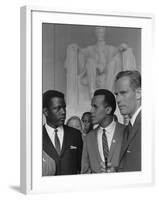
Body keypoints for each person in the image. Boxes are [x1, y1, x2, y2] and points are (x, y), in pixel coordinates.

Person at [64, 26, 136, 106]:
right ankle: (92, 93)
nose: (100, 34)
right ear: (96, 34)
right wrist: (74, 47)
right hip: (93, 74)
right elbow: (81, 52)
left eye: (101, 32)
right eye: (98, 32)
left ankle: (108, 93)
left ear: (104, 33)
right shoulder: (91, 49)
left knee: (112, 63)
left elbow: (118, 50)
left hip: (108, 73)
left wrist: (123, 46)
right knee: (90, 61)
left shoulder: (110, 49)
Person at [81, 89, 125, 174]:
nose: (91, 111)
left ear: (108, 110)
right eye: (91, 106)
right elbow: (85, 171)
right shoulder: (89, 137)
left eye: (95, 107)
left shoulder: (126, 132)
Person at [43, 90, 83, 176]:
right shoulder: (35, 137)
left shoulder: (75, 135)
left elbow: (81, 167)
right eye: (58, 108)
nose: (63, 112)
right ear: (46, 111)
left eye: (64, 107)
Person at [114, 70, 141, 172]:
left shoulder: (150, 125)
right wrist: (115, 170)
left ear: (138, 93)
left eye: (123, 93)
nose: (118, 100)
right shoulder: (127, 128)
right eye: (116, 94)